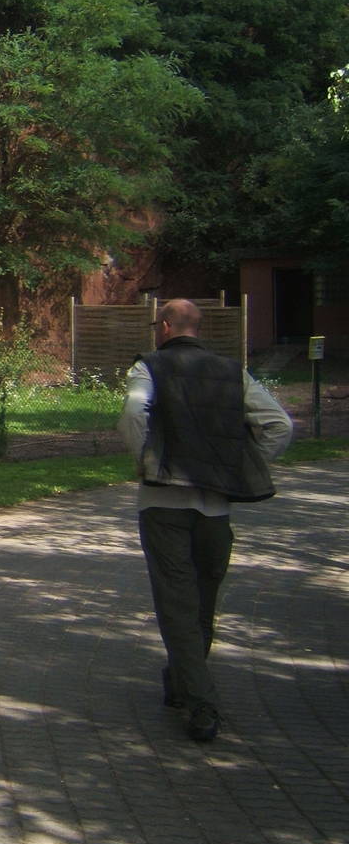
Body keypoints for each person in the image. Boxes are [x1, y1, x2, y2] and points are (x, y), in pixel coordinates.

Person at [117, 298, 293, 743]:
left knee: (177, 602)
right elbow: (280, 425)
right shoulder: (232, 372)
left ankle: (197, 699)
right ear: (196, 328)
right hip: (215, 509)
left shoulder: (149, 367)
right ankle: (190, 689)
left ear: (166, 326)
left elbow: (134, 414)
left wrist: (148, 462)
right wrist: (238, 469)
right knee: (202, 600)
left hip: (161, 506)